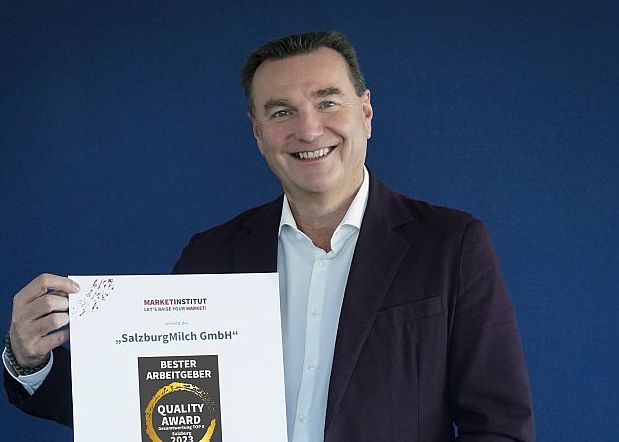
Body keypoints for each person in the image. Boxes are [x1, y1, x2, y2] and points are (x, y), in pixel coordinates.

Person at [4, 31, 535, 441]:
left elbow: (499, 424)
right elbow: (144, 405)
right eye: (282, 112)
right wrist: (29, 360)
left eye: (328, 102)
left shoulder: (451, 244)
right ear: (259, 134)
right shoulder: (211, 253)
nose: (308, 129)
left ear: (366, 112)